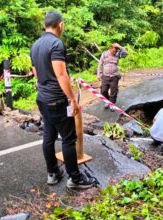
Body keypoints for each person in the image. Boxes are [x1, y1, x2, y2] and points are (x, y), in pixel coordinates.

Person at [30, 10, 96, 189]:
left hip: (42, 98)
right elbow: (61, 74)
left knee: (49, 135)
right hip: (56, 100)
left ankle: (53, 173)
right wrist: (73, 100)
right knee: (68, 138)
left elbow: (35, 71)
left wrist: (42, 85)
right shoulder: (56, 44)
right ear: (60, 24)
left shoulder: (36, 44)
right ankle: (75, 179)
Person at [97, 43, 128, 112]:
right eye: (114, 50)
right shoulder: (104, 54)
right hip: (105, 76)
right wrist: (99, 74)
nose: (115, 52)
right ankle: (107, 101)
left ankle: (112, 104)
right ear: (110, 48)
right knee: (103, 91)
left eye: (116, 51)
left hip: (115, 76)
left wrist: (120, 46)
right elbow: (100, 64)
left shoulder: (118, 54)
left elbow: (126, 54)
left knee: (113, 91)